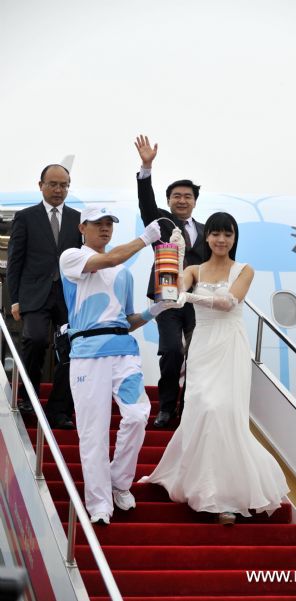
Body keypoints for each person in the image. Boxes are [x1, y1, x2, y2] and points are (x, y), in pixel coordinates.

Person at [140, 212, 289, 524]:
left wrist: (188, 296)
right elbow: (170, 293)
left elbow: (228, 303)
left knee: (222, 410)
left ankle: (224, 498)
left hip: (230, 345)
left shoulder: (244, 270)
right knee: (202, 408)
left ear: (234, 239)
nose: (222, 240)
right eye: (216, 234)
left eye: (228, 234)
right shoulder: (194, 269)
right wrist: (171, 257)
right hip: (204, 345)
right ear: (206, 237)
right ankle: (203, 487)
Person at [60, 207, 172, 524]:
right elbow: (107, 260)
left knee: (137, 415)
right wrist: (145, 238)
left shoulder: (123, 274)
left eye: (109, 224)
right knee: (93, 432)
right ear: (83, 226)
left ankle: (119, 482)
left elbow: (127, 320)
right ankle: (98, 504)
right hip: (86, 354)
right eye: (98, 223)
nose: (105, 228)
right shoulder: (72, 257)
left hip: (124, 350)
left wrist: (156, 309)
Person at [135, 134, 204, 428]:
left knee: (198, 357)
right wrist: (146, 168)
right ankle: (165, 409)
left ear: (195, 202)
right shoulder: (161, 222)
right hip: (167, 298)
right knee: (173, 351)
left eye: (187, 196)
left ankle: (186, 409)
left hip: (199, 300)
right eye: (176, 196)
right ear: (169, 201)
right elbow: (146, 203)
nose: (182, 200)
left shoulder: (207, 229)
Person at [6, 164, 82, 429]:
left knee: (71, 349)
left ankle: (59, 409)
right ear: (41, 185)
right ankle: (28, 397)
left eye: (64, 185)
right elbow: (15, 261)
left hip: (67, 296)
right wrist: (14, 299)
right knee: (35, 339)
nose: (59, 190)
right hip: (34, 295)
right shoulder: (26, 217)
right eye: (53, 184)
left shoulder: (77, 219)